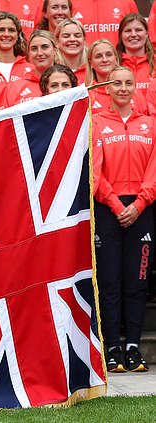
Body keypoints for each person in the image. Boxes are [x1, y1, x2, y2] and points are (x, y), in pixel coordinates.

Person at [92, 65, 155, 374]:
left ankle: (132, 347)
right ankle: (111, 348)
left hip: (142, 212)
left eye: (128, 83)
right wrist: (117, 205)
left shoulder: (150, 125)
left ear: (135, 87)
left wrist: (140, 203)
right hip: (108, 210)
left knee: (137, 282)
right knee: (109, 281)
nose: (122, 88)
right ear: (107, 87)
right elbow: (95, 172)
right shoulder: (96, 123)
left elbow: (154, 172)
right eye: (116, 83)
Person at [1, 29, 57, 106]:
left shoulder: (67, 81)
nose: (39, 53)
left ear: (55, 50)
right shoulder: (14, 88)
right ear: (28, 53)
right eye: (34, 49)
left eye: (44, 47)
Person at [117, 14, 154, 98]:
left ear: (147, 34)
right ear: (121, 35)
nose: (133, 34)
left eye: (138, 30)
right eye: (128, 31)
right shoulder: (113, 65)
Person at [54, 18, 87, 83]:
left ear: (84, 40)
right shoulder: (50, 70)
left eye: (77, 36)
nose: (72, 39)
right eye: (66, 36)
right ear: (57, 41)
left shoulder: (93, 69)